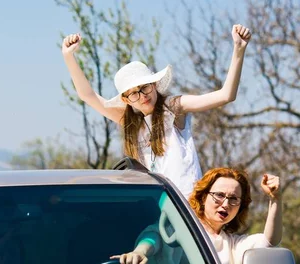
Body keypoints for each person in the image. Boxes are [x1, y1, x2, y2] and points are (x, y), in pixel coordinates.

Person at [61, 25, 252, 198]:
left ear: (154, 84)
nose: (142, 95)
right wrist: (69, 57)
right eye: (134, 93)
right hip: (155, 201)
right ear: (126, 99)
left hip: (188, 200)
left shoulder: (173, 107)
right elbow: (88, 96)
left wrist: (239, 50)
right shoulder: (130, 122)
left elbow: (226, 95)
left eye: (145, 87)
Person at [112, 168, 282, 264]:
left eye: (233, 199)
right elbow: (155, 236)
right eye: (219, 195)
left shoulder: (232, 245)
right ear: (202, 197)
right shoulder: (181, 226)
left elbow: (269, 242)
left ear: (240, 207)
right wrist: (140, 252)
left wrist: (275, 199)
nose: (225, 204)